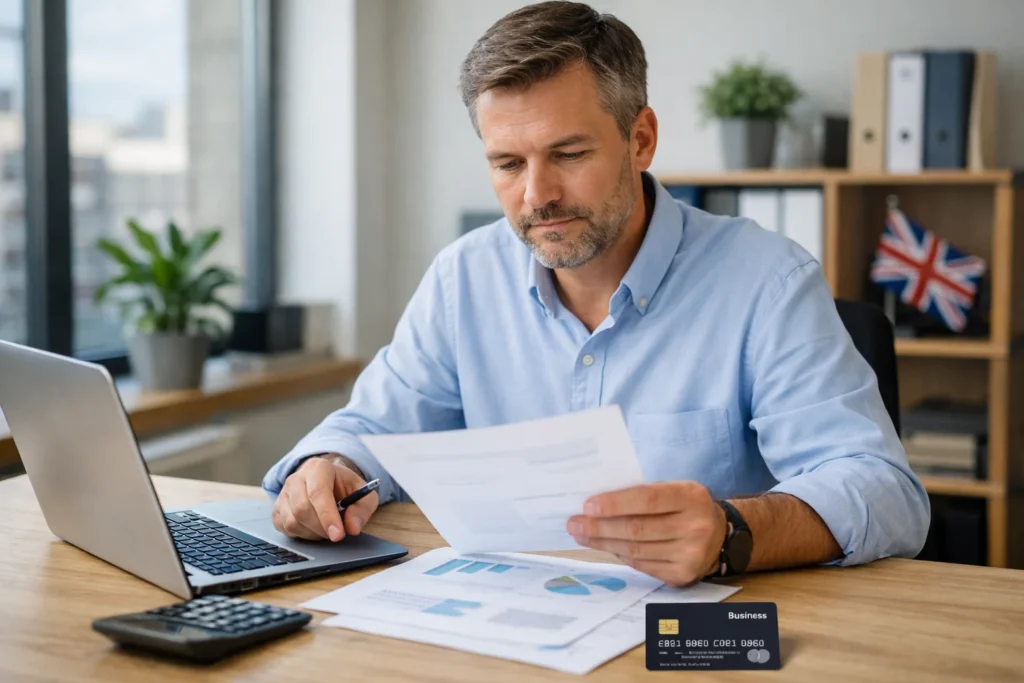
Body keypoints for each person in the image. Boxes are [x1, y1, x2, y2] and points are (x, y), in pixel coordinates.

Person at [263, 1, 929, 586]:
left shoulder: (767, 280)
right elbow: (370, 426)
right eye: (507, 163)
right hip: (510, 626)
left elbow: (882, 490)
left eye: (569, 154)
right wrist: (325, 466)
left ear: (640, 139)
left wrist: (731, 530)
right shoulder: (462, 278)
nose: (536, 196)